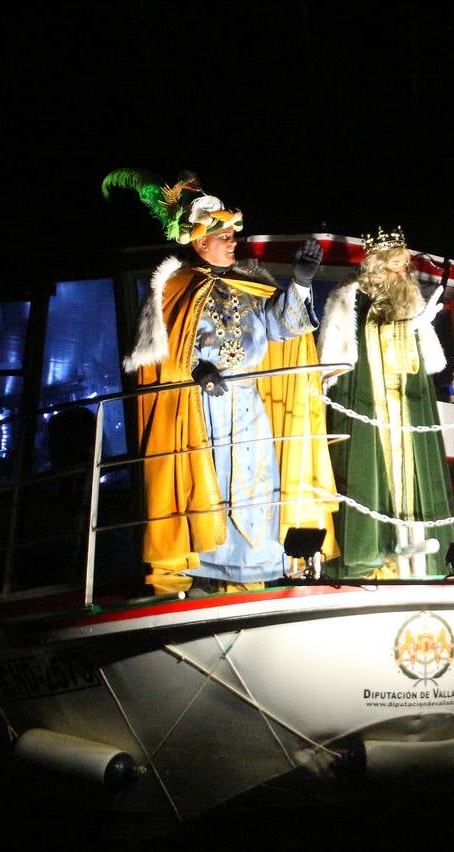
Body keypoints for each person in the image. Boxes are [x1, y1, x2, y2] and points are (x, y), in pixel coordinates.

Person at [104, 168, 334, 595]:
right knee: (211, 484)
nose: (233, 243)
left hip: (248, 401)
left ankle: (254, 573)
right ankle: (208, 568)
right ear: (201, 241)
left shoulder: (249, 283)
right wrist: (195, 370)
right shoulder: (173, 288)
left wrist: (300, 283)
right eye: (224, 236)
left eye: (233, 235)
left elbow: (279, 327)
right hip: (201, 410)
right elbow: (160, 352)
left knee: (257, 484)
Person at [317, 226, 454, 577]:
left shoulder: (411, 299)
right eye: (396, 265)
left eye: (405, 265)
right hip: (367, 400)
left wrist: (417, 324)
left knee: (415, 469)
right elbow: (364, 341)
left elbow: (422, 359)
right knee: (367, 469)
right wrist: (409, 326)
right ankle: (373, 553)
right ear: (378, 264)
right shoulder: (350, 297)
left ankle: (424, 550)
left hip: (407, 407)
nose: (403, 271)